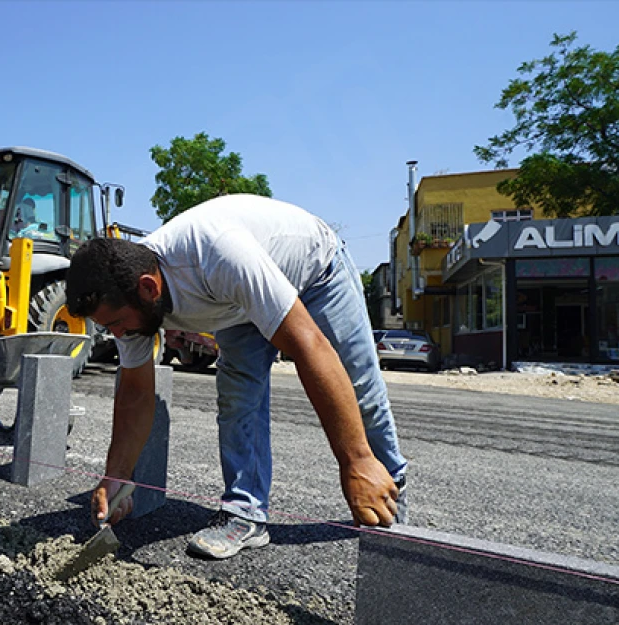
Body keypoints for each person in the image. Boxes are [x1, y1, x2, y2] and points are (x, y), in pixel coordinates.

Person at [65, 194, 408, 559]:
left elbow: (310, 346)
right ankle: (246, 513)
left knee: (359, 387)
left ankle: (389, 494)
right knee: (238, 399)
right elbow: (135, 392)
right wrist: (116, 474)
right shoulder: (131, 295)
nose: (117, 335)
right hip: (235, 305)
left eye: (116, 323)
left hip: (314, 272)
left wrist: (354, 460)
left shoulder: (216, 254)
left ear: (149, 288)